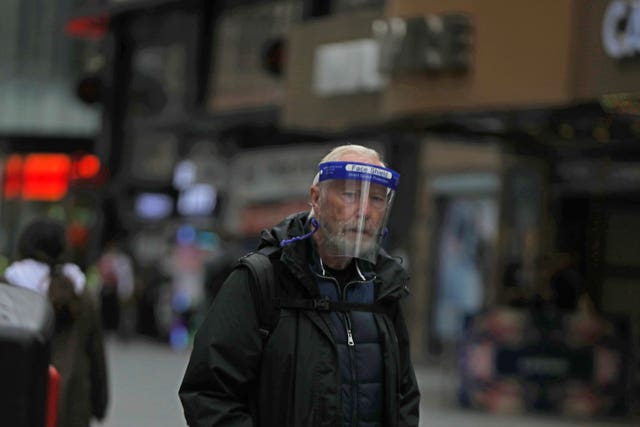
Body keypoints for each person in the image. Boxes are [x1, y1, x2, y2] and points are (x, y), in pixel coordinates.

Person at [179, 144, 420, 426]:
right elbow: (210, 395)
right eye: (351, 195)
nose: (365, 211)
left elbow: (403, 397)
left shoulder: (383, 288)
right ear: (316, 198)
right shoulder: (264, 278)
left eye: (377, 199)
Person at [4, 218, 109, 427]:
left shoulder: (8, 289)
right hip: (71, 404)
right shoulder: (81, 293)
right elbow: (95, 352)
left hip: (14, 401)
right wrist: (100, 402)